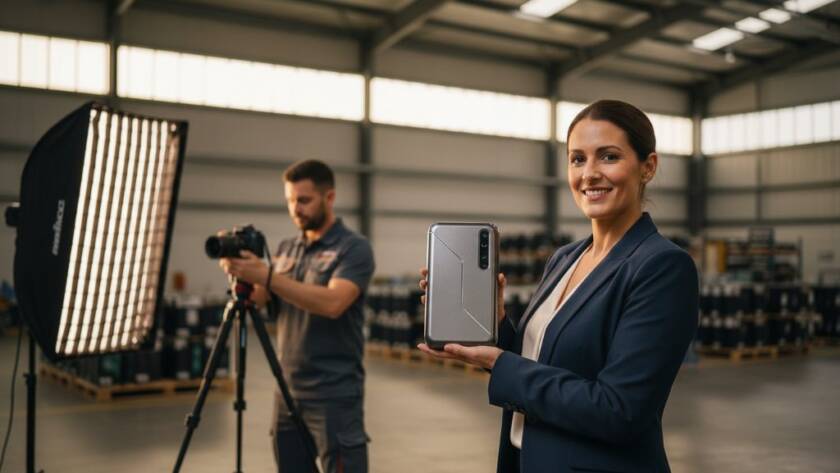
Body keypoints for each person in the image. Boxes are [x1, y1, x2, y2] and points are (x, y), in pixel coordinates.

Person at [419, 100, 699, 473]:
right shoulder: (565, 258)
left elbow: (620, 410)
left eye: (609, 157)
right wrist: (496, 325)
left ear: (648, 166)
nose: (590, 174)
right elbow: (544, 360)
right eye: (577, 159)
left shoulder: (661, 267)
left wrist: (501, 364)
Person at [220, 159, 375, 473]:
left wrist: (267, 275)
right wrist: (241, 271)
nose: (295, 209)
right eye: (290, 200)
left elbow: (334, 303)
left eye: (304, 200)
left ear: (329, 197)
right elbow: (261, 298)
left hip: (334, 393)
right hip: (287, 390)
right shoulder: (287, 248)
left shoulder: (353, 248)